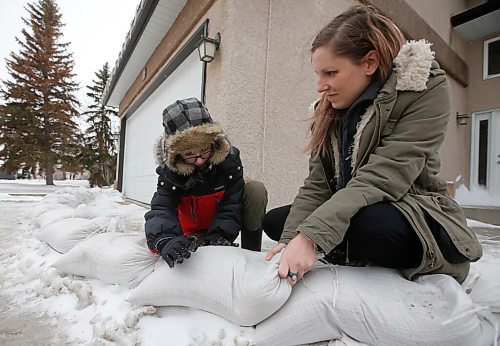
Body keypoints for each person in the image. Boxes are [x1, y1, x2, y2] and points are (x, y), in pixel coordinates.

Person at [265, 5, 482, 285]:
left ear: (369, 63)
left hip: (405, 206)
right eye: (318, 74)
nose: (320, 86)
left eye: (330, 73)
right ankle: (343, 246)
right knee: (276, 221)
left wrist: (311, 237)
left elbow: (383, 175)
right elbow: (317, 184)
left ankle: (425, 256)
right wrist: (290, 241)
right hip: (353, 204)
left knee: (371, 226)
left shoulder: (422, 88)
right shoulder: (328, 109)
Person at [145, 98, 267, 268]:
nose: (200, 161)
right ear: (177, 154)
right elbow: (161, 208)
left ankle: (252, 255)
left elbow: (232, 204)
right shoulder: (170, 173)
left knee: (255, 189)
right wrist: (166, 239)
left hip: (219, 229)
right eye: (190, 154)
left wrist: (220, 237)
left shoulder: (229, 163)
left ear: (214, 143)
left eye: (204, 151)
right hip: (190, 234)